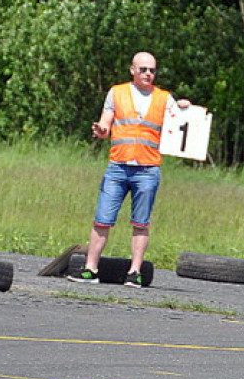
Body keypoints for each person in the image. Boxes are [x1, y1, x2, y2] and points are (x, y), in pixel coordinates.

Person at [68, 52, 191, 287]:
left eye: (152, 70)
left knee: (141, 222)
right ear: (132, 70)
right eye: (143, 69)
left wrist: (185, 107)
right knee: (102, 219)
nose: (148, 74)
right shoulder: (117, 92)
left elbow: (182, 124)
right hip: (118, 166)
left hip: (147, 168)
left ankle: (135, 272)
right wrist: (102, 129)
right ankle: (90, 269)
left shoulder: (164, 98)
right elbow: (106, 119)